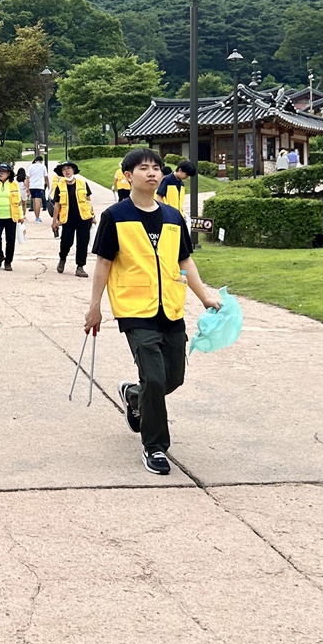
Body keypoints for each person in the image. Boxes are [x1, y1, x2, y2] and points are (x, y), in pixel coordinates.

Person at [84, 148, 222, 477]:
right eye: (144, 168)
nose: (152, 173)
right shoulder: (115, 216)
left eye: (157, 168)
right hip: (134, 309)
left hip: (170, 307)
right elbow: (103, 263)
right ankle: (155, 446)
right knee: (156, 378)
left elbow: (184, 261)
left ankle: (134, 396)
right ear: (127, 176)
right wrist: (95, 308)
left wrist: (203, 296)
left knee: (173, 377)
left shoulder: (174, 217)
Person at [50, 161, 95, 277]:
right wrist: (54, 221)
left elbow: (88, 200)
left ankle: (80, 267)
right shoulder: (60, 186)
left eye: (69, 168)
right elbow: (57, 204)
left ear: (73, 170)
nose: (67, 171)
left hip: (84, 218)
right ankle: (62, 258)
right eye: (64, 169)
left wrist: (93, 215)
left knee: (82, 242)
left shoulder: (83, 183)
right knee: (66, 241)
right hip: (68, 219)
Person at [26, 155, 49, 222]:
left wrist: (27, 187)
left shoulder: (31, 167)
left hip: (32, 185)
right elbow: (46, 177)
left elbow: (27, 178)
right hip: (39, 185)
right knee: (38, 201)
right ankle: (37, 217)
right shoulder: (43, 167)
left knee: (34, 201)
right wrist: (48, 185)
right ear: (41, 161)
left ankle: (36, 216)